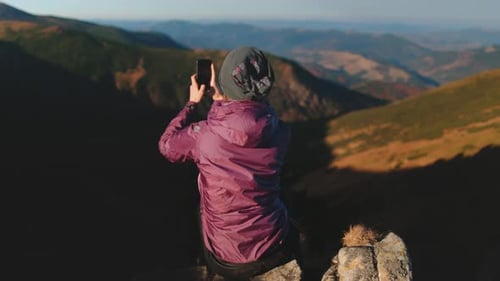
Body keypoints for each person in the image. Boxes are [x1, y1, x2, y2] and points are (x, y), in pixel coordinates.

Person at [158, 46, 302, 280]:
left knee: (200, 208)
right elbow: (247, 125)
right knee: (283, 193)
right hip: (276, 247)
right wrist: (225, 96)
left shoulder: (204, 135)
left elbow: (167, 147)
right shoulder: (281, 132)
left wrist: (192, 104)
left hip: (228, 262)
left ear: (225, 85)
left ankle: (200, 263)